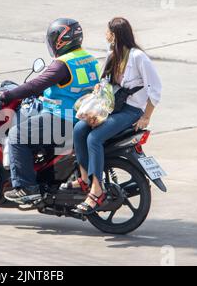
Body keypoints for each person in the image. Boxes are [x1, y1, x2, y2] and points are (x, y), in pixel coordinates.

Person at [0, 18, 101, 204]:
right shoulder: (90, 59)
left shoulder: (62, 63)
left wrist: (9, 95)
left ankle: (26, 187)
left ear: (59, 41)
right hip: (84, 118)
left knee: (16, 136)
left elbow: (37, 84)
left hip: (63, 119)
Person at [67, 17, 162, 214]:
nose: (105, 34)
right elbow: (105, 83)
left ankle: (96, 189)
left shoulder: (137, 57)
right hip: (111, 108)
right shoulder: (112, 54)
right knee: (79, 129)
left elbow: (156, 88)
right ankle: (84, 179)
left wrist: (146, 117)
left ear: (115, 34)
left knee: (94, 138)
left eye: (108, 31)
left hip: (130, 111)